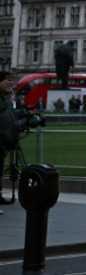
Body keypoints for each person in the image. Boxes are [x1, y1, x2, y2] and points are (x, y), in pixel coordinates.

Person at [0, 71, 19, 215]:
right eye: (8, 80)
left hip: (4, 137)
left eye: (12, 80)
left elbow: (10, 116)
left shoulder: (6, 98)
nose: (11, 83)